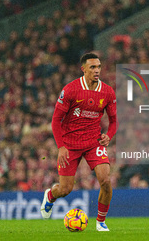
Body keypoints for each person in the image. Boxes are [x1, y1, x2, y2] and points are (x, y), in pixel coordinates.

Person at [41, 53, 117, 231]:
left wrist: (109, 135)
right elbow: (55, 120)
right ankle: (51, 195)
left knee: (105, 180)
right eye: (92, 67)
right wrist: (60, 147)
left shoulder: (107, 92)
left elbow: (113, 121)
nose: (97, 70)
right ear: (83, 69)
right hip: (70, 144)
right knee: (65, 189)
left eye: (98, 67)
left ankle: (100, 221)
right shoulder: (71, 90)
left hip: (94, 142)